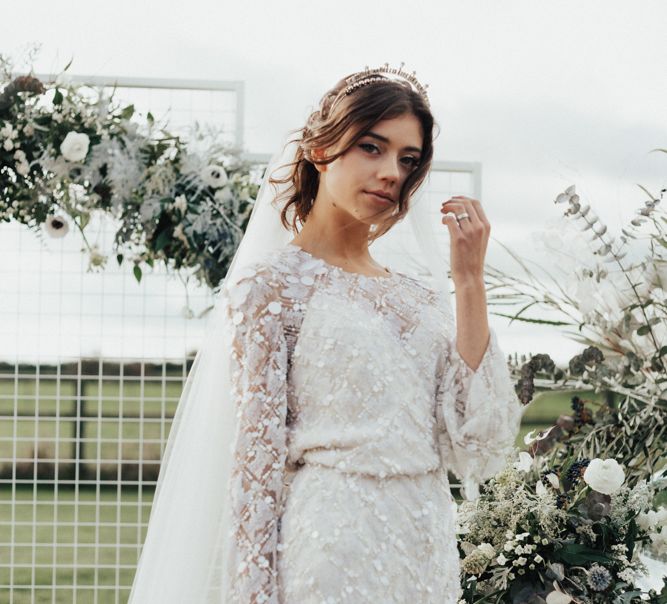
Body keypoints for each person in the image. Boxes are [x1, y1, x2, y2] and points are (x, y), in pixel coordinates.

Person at [128, 64, 523, 604]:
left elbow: (478, 443)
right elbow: (254, 468)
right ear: (319, 150)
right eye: (371, 147)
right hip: (333, 551)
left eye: (408, 160)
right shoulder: (270, 288)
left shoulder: (420, 297)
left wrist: (469, 280)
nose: (392, 173)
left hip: (426, 549)